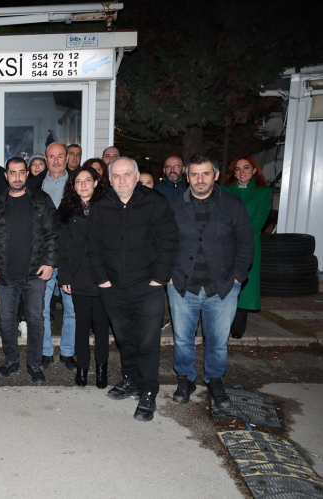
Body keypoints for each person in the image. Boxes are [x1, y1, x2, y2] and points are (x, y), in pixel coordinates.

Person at [86, 157, 178, 422]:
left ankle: (148, 391)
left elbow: (169, 241)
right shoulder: (101, 207)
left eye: (127, 174)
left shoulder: (155, 203)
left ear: (137, 177)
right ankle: (131, 380)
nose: (122, 180)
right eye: (116, 175)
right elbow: (92, 246)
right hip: (113, 288)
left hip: (147, 286)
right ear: (109, 180)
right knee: (125, 339)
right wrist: (102, 280)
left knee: (147, 341)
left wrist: (159, 279)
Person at [168, 154, 254, 409]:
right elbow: (161, 242)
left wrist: (237, 276)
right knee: (182, 339)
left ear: (215, 175)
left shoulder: (232, 204)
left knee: (217, 341)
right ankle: (185, 379)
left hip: (223, 287)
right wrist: (168, 275)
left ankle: (215, 380)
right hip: (182, 286)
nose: (200, 179)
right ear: (187, 177)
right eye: (194, 174)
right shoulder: (173, 205)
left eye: (205, 173)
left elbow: (246, 242)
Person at [0, 157, 57, 383]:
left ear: (27, 174)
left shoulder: (42, 200)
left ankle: (34, 363)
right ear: (6, 175)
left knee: (36, 320)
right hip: (4, 275)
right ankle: (11, 360)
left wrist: (49, 262)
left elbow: (52, 234)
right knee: (7, 320)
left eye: (21, 172)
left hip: (35, 274)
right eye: (12, 172)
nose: (17, 177)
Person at [58, 165, 111, 389]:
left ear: (96, 183)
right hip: (78, 275)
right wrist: (65, 277)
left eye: (87, 180)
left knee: (101, 327)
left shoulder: (108, 207)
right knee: (81, 325)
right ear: (73, 185)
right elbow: (63, 247)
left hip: (102, 276)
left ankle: (101, 369)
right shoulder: (66, 210)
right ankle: (82, 368)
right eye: (78, 181)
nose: (83, 185)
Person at [35, 143, 76, 370]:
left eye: (61, 156)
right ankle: (45, 351)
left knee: (72, 308)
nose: (57, 160)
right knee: (41, 307)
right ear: (46, 158)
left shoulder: (79, 182)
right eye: (52, 156)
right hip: (43, 257)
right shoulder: (35, 183)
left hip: (72, 257)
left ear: (67, 158)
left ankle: (68, 352)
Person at [221, 155, 272, 339]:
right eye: (237, 168)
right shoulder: (224, 190)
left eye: (246, 168)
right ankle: (221, 325)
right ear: (233, 172)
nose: (241, 172)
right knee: (224, 283)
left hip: (249, 243)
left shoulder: (263, 192)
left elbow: (259, 220)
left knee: (245, 286)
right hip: (225, 244)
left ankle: (237, 327)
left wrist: (240, 237)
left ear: (254, 170)